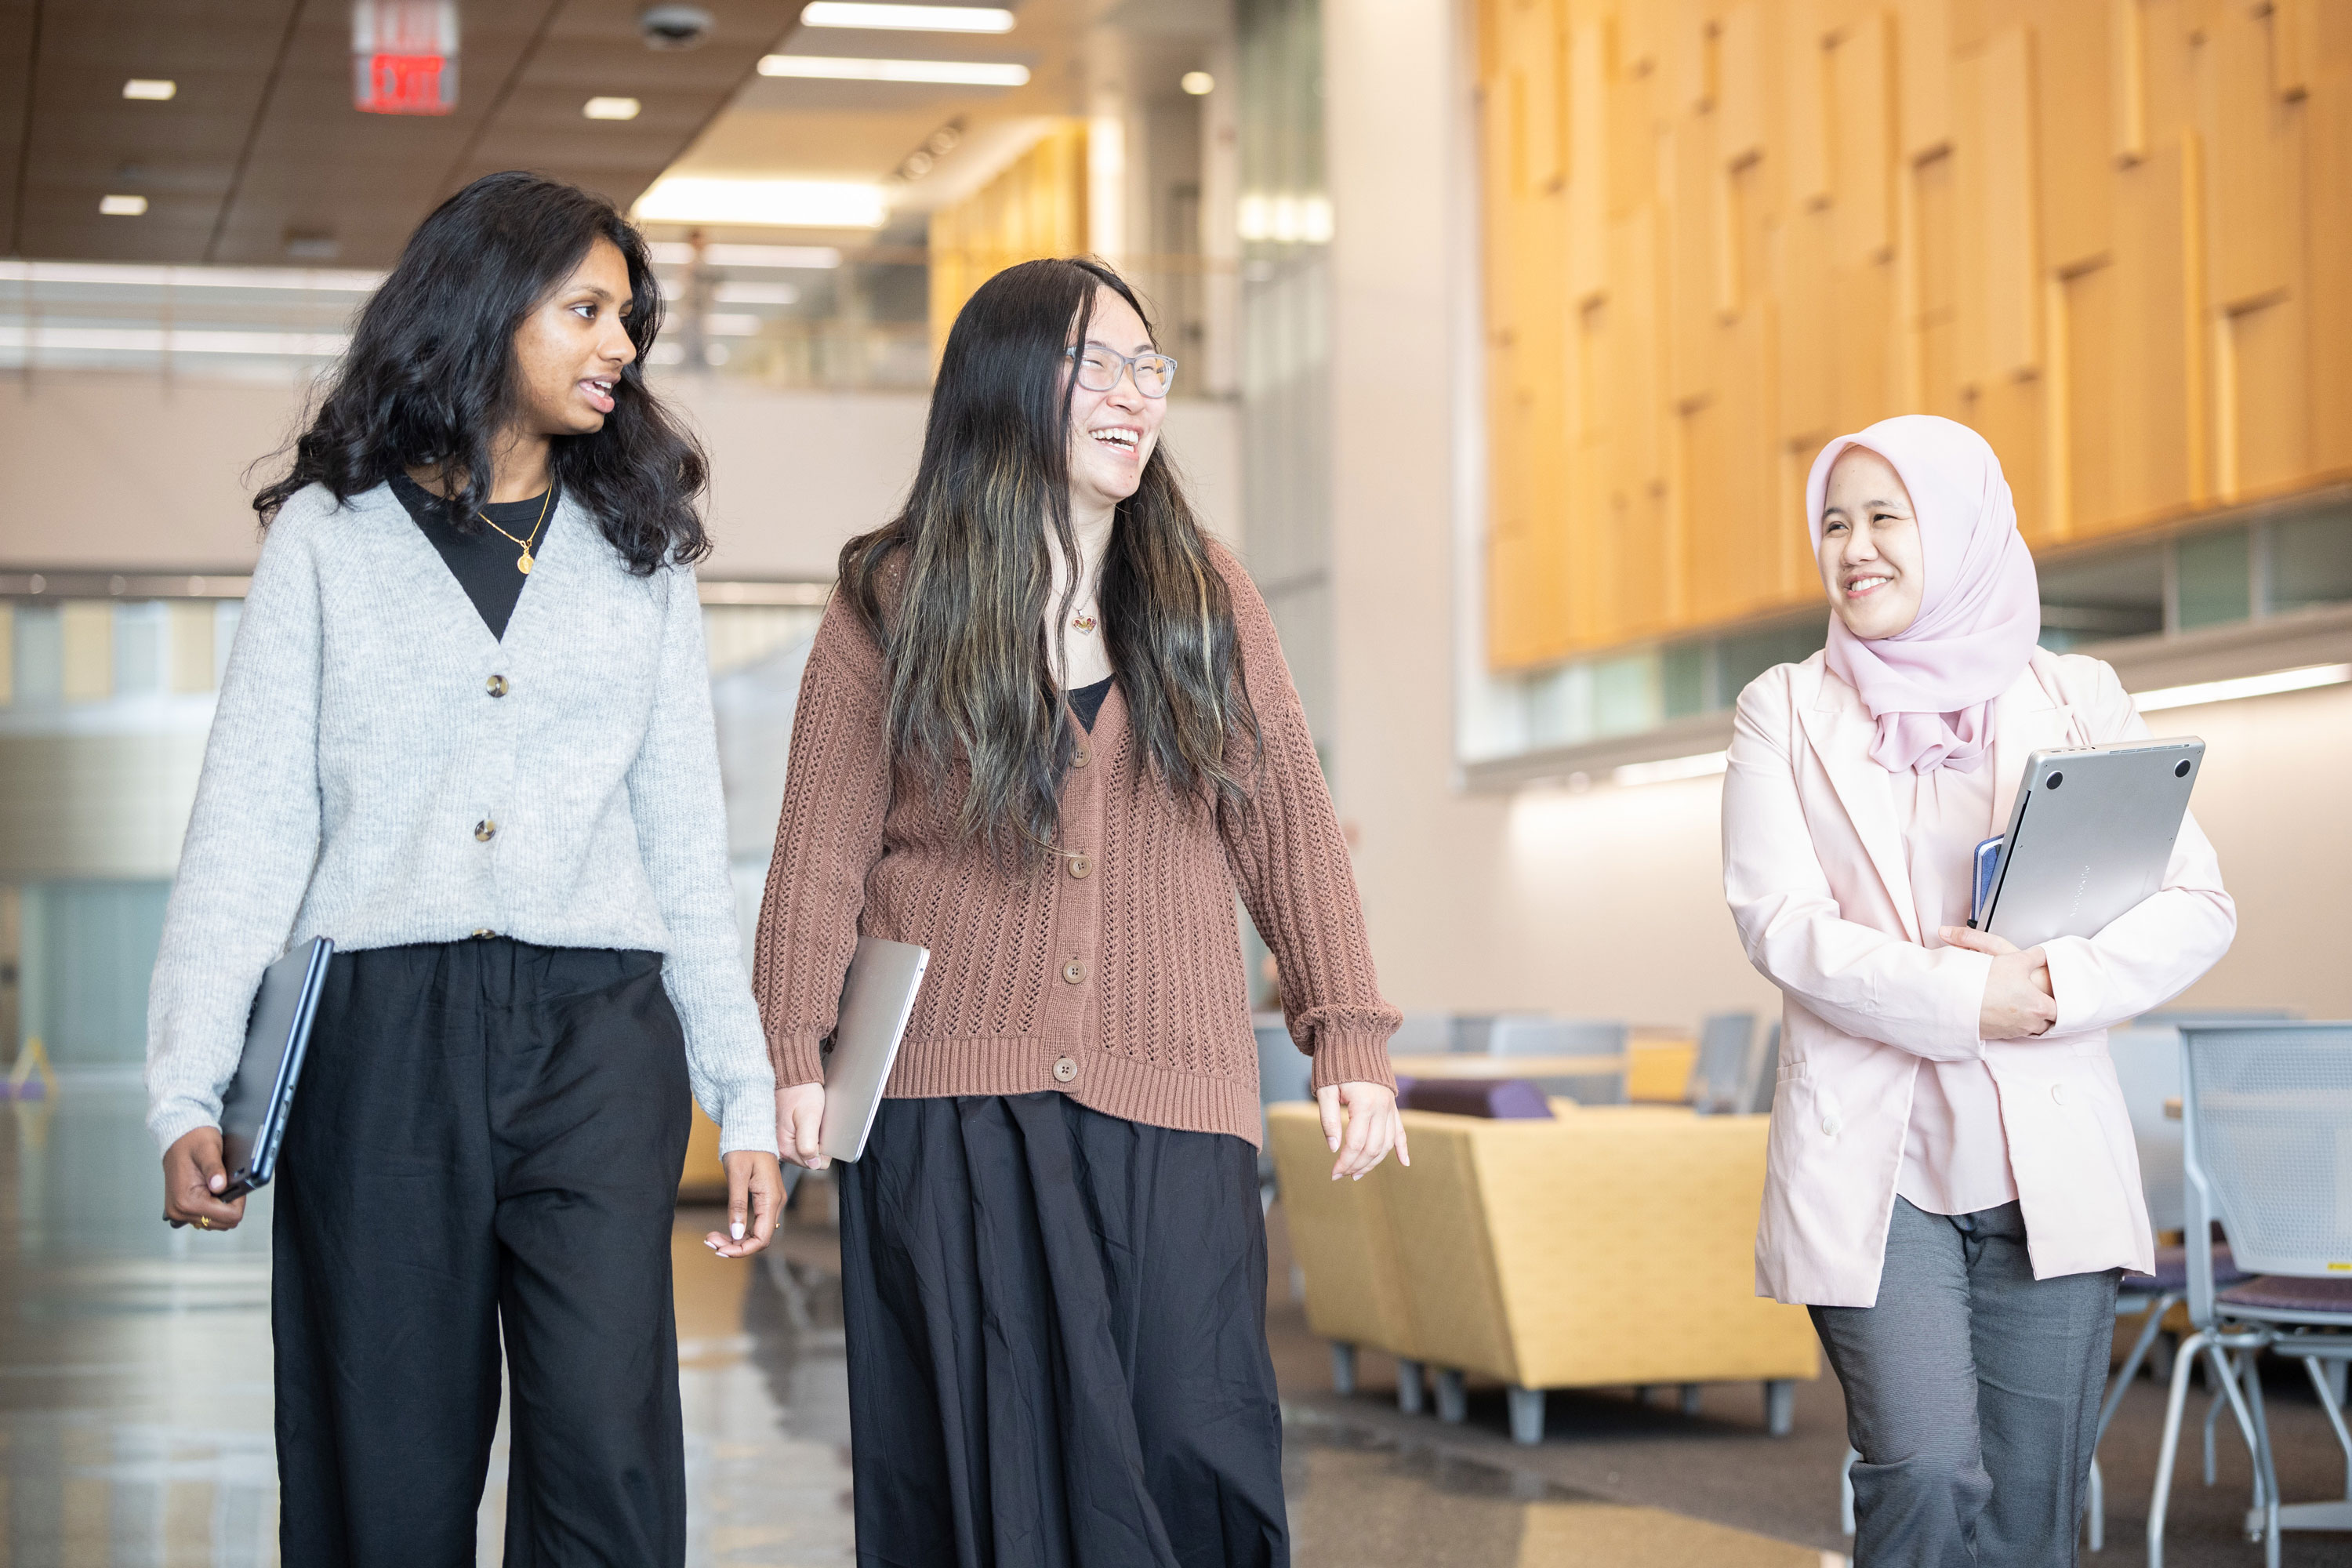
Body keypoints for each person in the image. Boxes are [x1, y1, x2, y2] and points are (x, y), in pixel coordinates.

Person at [145, 171, 784, 1566]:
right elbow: (252, 819)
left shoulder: (641, 557)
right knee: (385, 1455)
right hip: (379, 1039)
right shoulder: (328, 540)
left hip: (599, 1032)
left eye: (631, 318)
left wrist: (743, 1096)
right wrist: (188, 1084)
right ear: (486, 309)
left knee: (604, 1454)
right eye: (586, 309)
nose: (621, 344)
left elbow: (685, 837)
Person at [753, 256, 1406, 1567]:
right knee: (979, 1466)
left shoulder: (1203, 594)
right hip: (951, 1108)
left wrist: (1351, 1034)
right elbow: (819, 855)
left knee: (1190, 1447)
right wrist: (784, 1056)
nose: (1132, 393)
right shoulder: (895, 594)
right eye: (1093, 363)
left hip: (1173, 1094)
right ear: (1005, 384)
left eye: (1145, 365)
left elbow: (1284, 821)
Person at [1721, 415, 2235, 1566]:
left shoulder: (2079, 695)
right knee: (1922, 1467)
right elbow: (1782, 926)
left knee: (2029, 1503)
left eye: (1885, 517)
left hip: (2043, 1152)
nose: (1855, 547)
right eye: (1835, 523)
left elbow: (2199, 904)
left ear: (1956, 529)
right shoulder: (1785, 710)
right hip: (1877, 1156)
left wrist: (2052, 988)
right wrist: (1969, 1004)